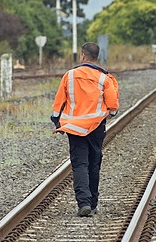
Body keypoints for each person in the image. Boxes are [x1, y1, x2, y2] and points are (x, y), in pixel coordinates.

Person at [51, 42, 119, 217]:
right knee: (94, 163)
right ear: (97, 58)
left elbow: (58, 103)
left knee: (79, 163)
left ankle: (84, 203)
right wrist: (107, 114)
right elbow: (113, 107)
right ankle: (93, 203)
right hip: (96, 127)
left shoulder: (69, 76)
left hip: (74, 127)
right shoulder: (104, 78)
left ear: (82, 56)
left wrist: (57, 121)